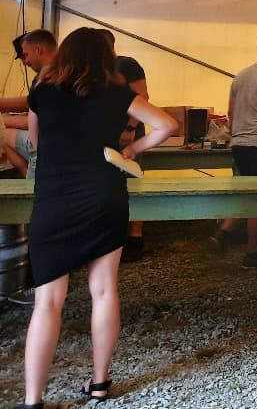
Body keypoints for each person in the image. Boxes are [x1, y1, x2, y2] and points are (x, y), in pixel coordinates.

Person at [20, 27, 176, 407]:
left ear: (65, 53)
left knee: (48, 301)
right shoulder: (117, 93)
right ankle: (100, 383)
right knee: (104, 290)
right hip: (104, 195)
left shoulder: (42, 91)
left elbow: (36, 142)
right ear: (106, 58)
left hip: (54, 199)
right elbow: (169, 125)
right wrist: (132, 150)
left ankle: (32, 399)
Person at [209, 34, 257, 267]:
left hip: (240, 145)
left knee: (249, 192)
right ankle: (252, 253)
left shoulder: (240, 76)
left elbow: (231, 113)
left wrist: (237, 135)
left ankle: (224, 232)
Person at [101, 31, 151, 262]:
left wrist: (130, 128)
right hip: (109, 136)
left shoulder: (127, 64)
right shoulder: (99, 70)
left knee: (133, 182)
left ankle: (135, 237)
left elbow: (143, 97)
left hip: (129, 135)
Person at [1, 29, 59, 180]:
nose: (25, 62)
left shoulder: (47, 80)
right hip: (53, 149)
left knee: (3, 133)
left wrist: (3, 120)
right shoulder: (63, 73)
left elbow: (35, 120)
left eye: (25, 55)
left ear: (38, 50)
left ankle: (25, 174)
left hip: (46, 150)